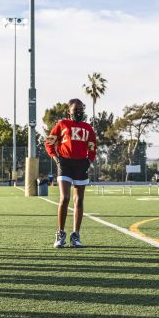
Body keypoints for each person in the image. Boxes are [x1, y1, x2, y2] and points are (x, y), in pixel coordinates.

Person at [45, 98, 98, 248]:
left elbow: (92, 147)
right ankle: (60, 234)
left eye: (81, 110)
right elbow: (49, 142)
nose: (79, 112)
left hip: (81, 164)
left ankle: (76, 235)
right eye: (76, 110)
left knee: (79, 200)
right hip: (65, 163)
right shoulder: (62, 124)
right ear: (69, 111)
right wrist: (56, 159)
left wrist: (89, 161)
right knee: (65, 197)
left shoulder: (88, 128)